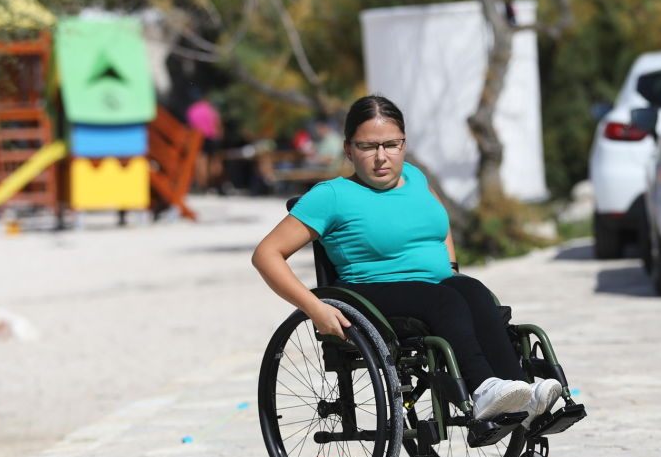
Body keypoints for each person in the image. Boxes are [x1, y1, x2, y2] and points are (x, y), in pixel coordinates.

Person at [251, 94, 561, 424]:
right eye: (367, 147)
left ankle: (521, 394)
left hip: (433, 290)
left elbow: (439, 223)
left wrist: (452, 269)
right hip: (371, 294)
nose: (381, 157)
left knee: (474, 291)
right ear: (348, 149)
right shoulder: (331, 196)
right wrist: (315, 308)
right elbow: (266, 255)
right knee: (444, 299)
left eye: (391, 145)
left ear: (404, 144)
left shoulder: (415, 177)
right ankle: (483, 390)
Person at [186, 94, 224, 192]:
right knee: (214, 162)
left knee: (200, 162)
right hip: (211, 137)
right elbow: (217, 123)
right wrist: (220, 136)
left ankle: (202, 184)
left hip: (198, 138)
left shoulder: (192, 109)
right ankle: (214, 184)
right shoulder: (209, 109)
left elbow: (190, 126)